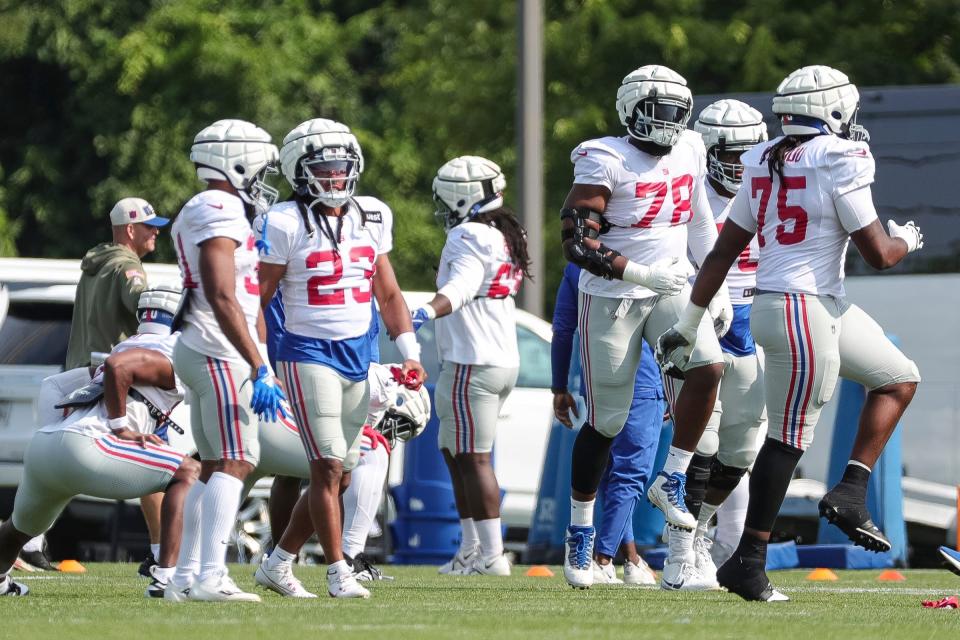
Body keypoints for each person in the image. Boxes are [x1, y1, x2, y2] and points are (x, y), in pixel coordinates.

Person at [658, 65, 923, 601]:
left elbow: (722, 251)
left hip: (810, 305)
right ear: (834, 110)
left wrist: (688, 322)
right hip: (800, 309)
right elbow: (878, 253)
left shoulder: (765, 156)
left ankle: (851, 490)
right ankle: (747, 563)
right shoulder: (842, 156)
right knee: (785, 440)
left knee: (897, 377)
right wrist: (906, 240)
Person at [558, 64, 730, 590]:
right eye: (658, 112)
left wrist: (712, 284)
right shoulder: (603, 157)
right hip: (612, 295)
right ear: (630, 111)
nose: (669, 123)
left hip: (671, 286)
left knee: (708, 367)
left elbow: (699, 221)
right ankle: (580, 533)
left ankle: (673, 476)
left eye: (678, 112)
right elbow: (576, 241)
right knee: (606, 423)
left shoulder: (691, 149)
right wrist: (637, 271)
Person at [255, 118, 425, 599]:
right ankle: (338, 572)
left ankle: (277, 562)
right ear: (298, 170)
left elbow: (388, 293)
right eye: (324, 169)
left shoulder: (370, 215)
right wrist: (262, 366)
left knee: (345, 471)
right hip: (304, 351)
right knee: (328, 466)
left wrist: (408, 351)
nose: (335, 177)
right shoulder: (285, 221)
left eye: (341, 167)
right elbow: (259, 299)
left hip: (358, 353)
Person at [0, 287, 199, 597]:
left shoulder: (126, 345)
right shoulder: (171, 350)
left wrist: (58, 433)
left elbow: (52, 385)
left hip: (47, 446)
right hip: (91, 448)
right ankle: (166, 578)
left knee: (17, 530)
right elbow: (120, 369)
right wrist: (121, 426)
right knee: (187, 472)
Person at [165, 119, 285, 603]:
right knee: (238, 460)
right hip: (217, 350)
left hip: (211, 347)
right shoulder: (218, 206)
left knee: (214, 464)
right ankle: (210, 576)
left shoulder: (217, 206)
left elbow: (245, 297)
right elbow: (220, 293)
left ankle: (184, 576)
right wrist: (257, 364)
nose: (261, 181)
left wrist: (262, 363)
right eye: (258, 169)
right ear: (234, 161)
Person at [409, 155, 531, 577]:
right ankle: (472, 547)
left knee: (473, 458)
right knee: (454, 450)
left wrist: (426, 310)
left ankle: (492, 556)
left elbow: (461, 287)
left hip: (472, 361)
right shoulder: (502, 232)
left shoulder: (468, 235)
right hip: (496, 357)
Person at [666, 99, 770, 586]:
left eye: (750, 154)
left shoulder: (772, 192)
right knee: (700, 445)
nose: (741, 165)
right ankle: (678, 556)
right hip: (698, 317)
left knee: (743, 449)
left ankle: (702, 535)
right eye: (731, 154)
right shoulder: (685, 193)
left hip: (750, 324)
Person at [251, 361, 430, 596]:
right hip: (277, 401)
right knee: (367, 453)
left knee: (311, 474)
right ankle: (347, 557)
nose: (392, 433)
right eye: (398, 425)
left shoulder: (374, 374)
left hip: (281, 399)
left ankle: (279, 559)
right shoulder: (380, 384)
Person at [64, 196, 170, 573]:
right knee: (155, 459)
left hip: (79, 372)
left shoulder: (94, 264)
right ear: (130, 229)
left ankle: (26, 540)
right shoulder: (128, 267)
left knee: (59, 468)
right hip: (110, 379)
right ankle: (162, 555)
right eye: (149, 226)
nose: (156, 232)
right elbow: (145, 304)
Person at [551, 262, 659, 586]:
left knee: (609, 471)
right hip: (642, 377)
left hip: (596, 375)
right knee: (631, 471)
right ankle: (602, 559)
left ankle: (629, 555)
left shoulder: (575, 265)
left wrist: (559, 386)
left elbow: (563, 327)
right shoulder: (648, 255)